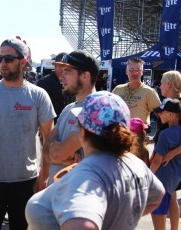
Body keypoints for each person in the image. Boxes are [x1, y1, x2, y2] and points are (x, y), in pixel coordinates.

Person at [26, 91, 165, 230]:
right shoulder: (135, 164)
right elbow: (158, 196)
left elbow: (82, 226)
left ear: (82, 130)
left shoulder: (88, 177)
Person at [0, 38, 55, 229]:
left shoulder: (38, 95)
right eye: (0, 58)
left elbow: (49, 138)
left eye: (8, 59)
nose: (3, 64)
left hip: (26, 182)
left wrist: (44, 174)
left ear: (23, 62)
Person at [43, 50, 98, 187]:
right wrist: (58, 154)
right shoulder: (69, 109)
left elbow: (56, 154)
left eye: (67, 71)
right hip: (58, 196)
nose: (61, 77)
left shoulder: (96, 110)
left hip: (78, 199)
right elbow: (45, 148)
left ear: (85, 75)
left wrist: (56, 152)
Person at [151, 70, 181, 230]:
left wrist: (171, 154)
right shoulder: (167, 103)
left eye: (161, 82)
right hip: (164, 154)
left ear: (169, 84)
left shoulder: (177, 104)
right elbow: (162, 127)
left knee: (169, 197)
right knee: (171, 196)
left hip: (171, 160)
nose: (159, 85)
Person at [112, 57, 161, 132]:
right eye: (131, 70)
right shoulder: (117, 89)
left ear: (142, 72)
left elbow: (161, 116)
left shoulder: (149, 92)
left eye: (138, 70)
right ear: (126, 71)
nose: (135, 73)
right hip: (120, 134)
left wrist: (156, 136)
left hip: (139, 135)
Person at [36, 52, 75, 124]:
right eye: (62, 66)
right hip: (50, 127)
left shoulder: (72, 82)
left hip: (68, 126)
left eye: (68, 67)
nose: (65, 69)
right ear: (56, 66)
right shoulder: (44, 82)